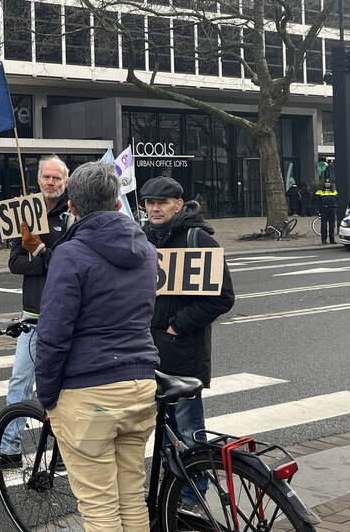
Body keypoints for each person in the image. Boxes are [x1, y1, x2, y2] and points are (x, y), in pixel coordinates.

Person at [35, 162, 160, 531]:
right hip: (140, 383)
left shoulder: (70, 254)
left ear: (72, 206)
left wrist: (47, 394)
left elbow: (54, 332)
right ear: (118, 204)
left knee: (99, 506)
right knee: (131, 498)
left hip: (89, 389)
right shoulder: (147, 250)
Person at [142, 176, 235, 513]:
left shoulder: (200, 240)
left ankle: (193, 499)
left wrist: (175, 326)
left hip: (183, 352)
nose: (154, 208)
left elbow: (223, 298)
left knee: (189, 429)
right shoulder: (146, 237)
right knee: (164, 431)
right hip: (150, 350)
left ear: (178, 205)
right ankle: (170, 493)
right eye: (149, 202)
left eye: (161, 203)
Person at [0, 154, 71, 472]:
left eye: (57, 178)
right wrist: (44, 258)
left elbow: (73, 264)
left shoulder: (73, 216)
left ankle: (61, 451)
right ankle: (9, 449)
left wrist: (42, 251)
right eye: (46, 177)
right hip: (32, 314)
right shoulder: (25, 213)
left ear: (66, 181)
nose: (51, 182)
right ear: (39, 178)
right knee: (20, 381)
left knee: (62, 386)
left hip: (65, 316)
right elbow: (15, 263)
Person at [314, 179, 339, 244]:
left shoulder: (334, 191)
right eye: (326, 183)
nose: (327, 184)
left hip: (332, 209)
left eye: (328, 183)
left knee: (332, 225)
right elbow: (316, 201)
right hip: (324, 209)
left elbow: (337, 199)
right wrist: (319, 209)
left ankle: (332, 240)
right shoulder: (319, 191)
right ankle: (324, 240)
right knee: (324, 225)